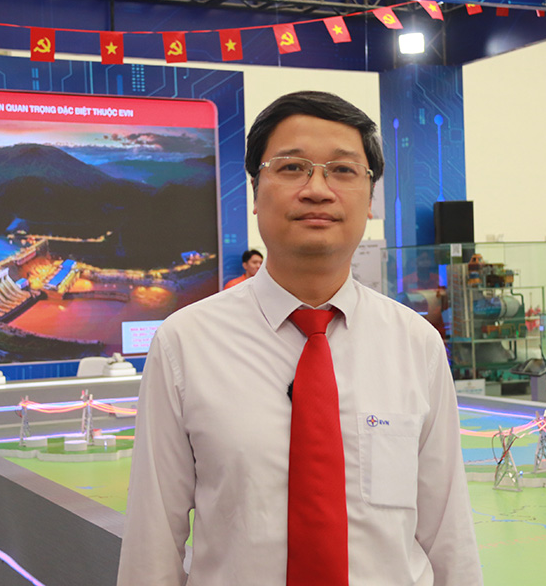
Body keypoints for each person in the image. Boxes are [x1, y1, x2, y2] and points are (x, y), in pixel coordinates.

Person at [117, 91, 482, 585]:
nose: (317, 189)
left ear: (370, 199)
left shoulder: (416, 344)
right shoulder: (186, 343)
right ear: (254, 192)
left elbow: (449, 535)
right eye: (292, 168)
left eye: (343, 170)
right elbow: (153, 542)